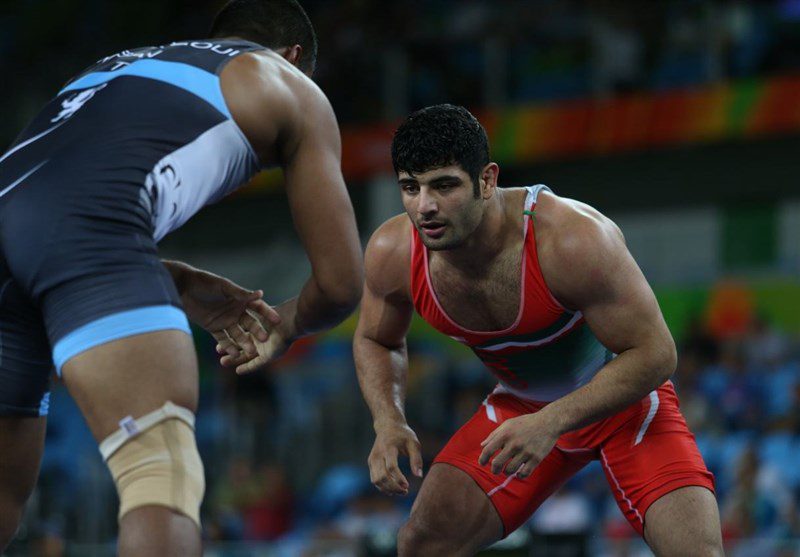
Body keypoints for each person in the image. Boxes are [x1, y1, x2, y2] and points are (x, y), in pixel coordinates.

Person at [0, 1, 363, 554]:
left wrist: (165, 277)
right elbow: (340, 287)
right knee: (159, 473)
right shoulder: (288, 83)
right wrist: (283, 323)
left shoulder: (115, 64)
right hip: (82, 236)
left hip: (25, 231)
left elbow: (43, 204)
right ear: (294, 57)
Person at [352, 104, 722, 556]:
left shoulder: (571, 239)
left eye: (444, 185)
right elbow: (376, 338)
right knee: (423, 544)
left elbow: (657, 354)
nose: (424, 207)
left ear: (487, 180)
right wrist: (388, 420)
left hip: (624, 406)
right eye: (410, 188)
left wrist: (552, 421)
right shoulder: (393, 252)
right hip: (521, 408)